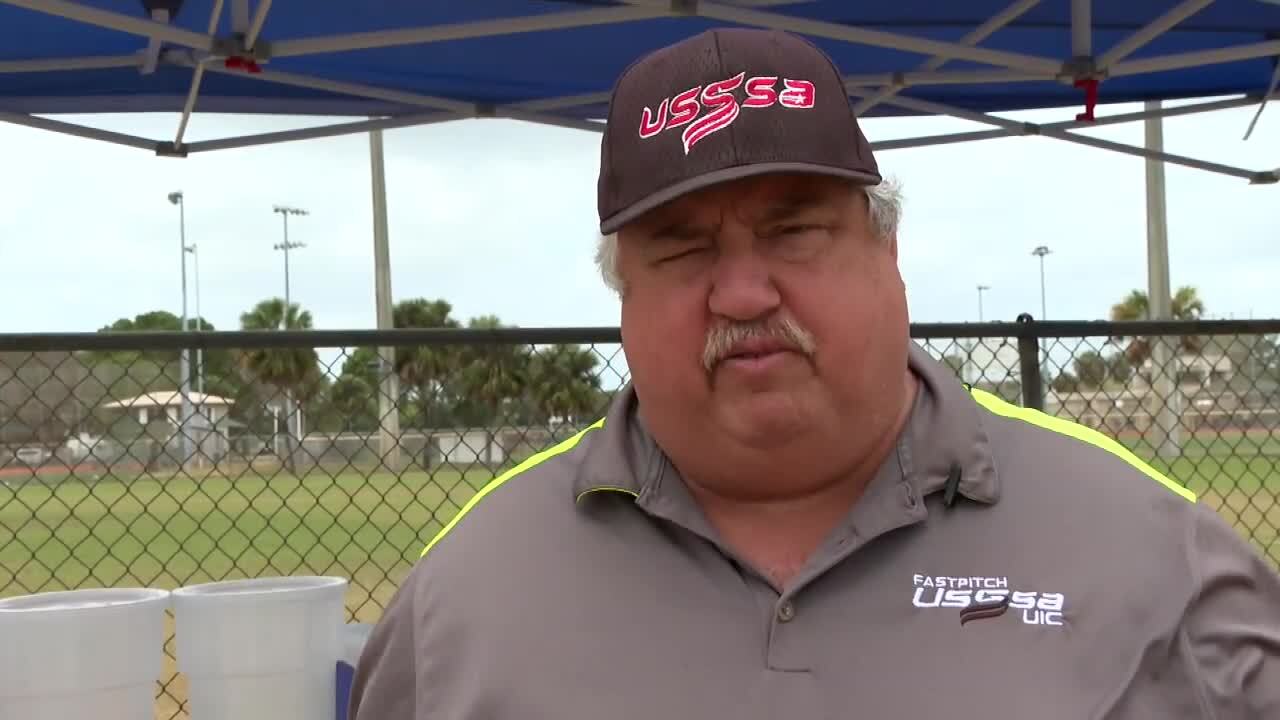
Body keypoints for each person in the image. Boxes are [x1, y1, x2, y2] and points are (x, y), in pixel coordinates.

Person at [349, 27, 1280, 719]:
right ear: (622, 295)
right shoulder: (463, 600)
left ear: (890, 255)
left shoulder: (1158, 561)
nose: (744, 293)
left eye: (794, 230)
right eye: (681, 250)